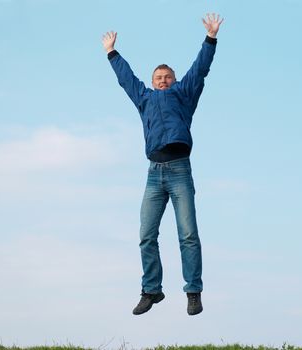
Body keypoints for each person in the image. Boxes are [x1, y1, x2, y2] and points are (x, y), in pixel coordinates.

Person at [102, 13, 223, 316]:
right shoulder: (144, 97)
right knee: (146, 235)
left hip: (180, 170)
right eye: (158, 78)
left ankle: (193, 291)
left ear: (174, 80)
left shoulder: (184, 94)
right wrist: (112, 53)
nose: (163, 81)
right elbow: (126, 79)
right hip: (154, 174)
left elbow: (200, 70)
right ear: (153, 82)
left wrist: (210, 38)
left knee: (188, 234)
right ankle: (151, 290)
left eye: (167, 77)